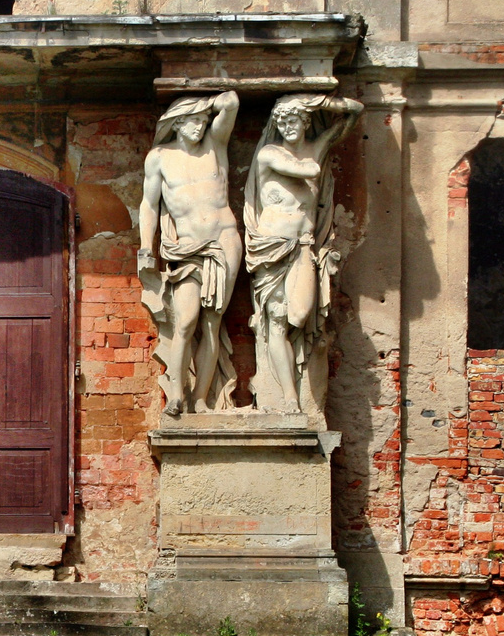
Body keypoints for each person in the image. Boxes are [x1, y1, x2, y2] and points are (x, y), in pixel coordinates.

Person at [243, 92, 364, 413]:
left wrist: (317, 102)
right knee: (278, 321)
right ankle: (289, 399)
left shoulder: (316, 148)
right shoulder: (269, 154)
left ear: (305, 121)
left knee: (300, 315)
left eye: (294, 120)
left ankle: (295, 391)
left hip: (304, 247)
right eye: (282, 121)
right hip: (269, 247)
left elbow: (354, 111)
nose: (288, 127)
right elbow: (308, 170)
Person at [138, 91, 242, 416]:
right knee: (185, 320)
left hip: (224, 241)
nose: (199, 127)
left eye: (202, 121)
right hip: (185, 248)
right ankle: (176, 394)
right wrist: (145, 246)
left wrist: (204, 107)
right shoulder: (159, 157)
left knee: (212, 322)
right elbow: (149, 205)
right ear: (177, 123)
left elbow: (232, 102)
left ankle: (199, 398)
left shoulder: (216, 145)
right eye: (193, 121)